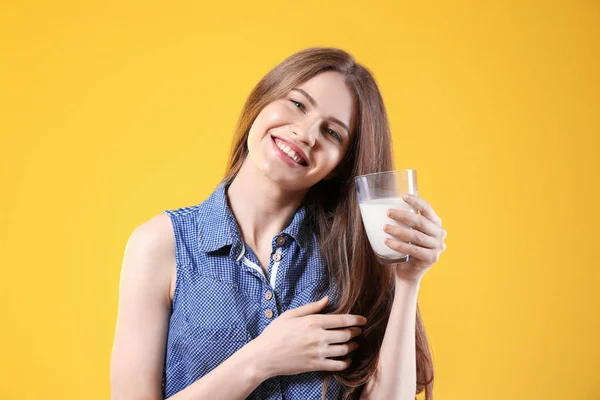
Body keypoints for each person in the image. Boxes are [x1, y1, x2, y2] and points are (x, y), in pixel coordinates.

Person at [110, 47, 447, 400]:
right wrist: (262, 359)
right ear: (263, 98)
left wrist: (408, 282)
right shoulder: (161, 244)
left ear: (340, 166)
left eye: (332, 133)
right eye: (298, 104)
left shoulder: (352, 257)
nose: (306, 133)